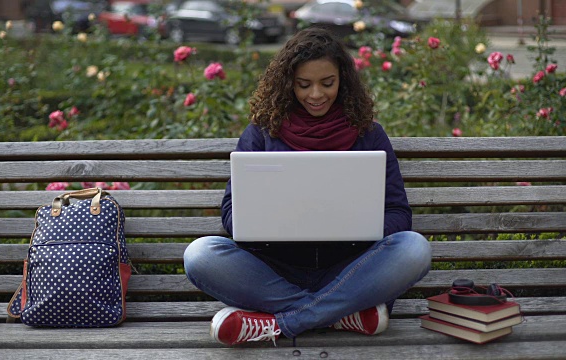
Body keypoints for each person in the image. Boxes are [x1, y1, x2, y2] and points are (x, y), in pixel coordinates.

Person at [183, 27, 432, 346]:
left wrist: (356, 226)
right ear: (289, 84)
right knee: (200, 255)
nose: (316, 94)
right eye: (304, 84)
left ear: (342, 80)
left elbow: (399, 213)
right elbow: (232, 214)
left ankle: (280, 323)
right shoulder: (262, 133)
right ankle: (342, 315)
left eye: (327, 83)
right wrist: (276, 222)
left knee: (414, 248)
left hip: (351, 271)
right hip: (273, 272)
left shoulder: (368, 134)